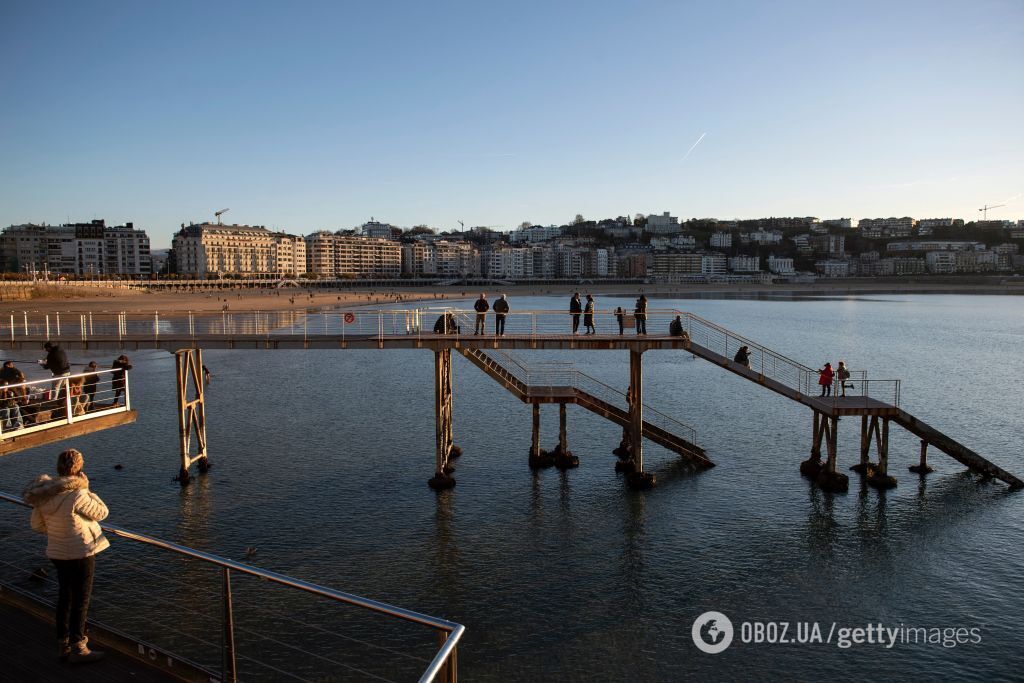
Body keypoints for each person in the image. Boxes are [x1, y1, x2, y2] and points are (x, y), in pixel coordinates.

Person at [23, 448, 110, 664]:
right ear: (78, 468)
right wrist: (87, 488)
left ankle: (63, 642)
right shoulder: (77, 493)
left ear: (58, 468)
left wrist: (56, 530)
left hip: (57, 552)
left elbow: (36, 525)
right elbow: (102, 512)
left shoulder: (45, 494)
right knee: (81, 600)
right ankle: (79, 647)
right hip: (81, 551)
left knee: (65, 597)